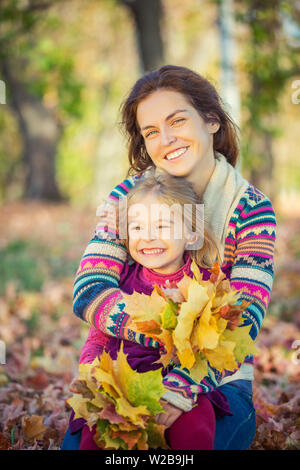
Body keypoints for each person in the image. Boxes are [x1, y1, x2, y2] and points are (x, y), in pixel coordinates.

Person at [61, 65, 276, 450]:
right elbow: (90, 288)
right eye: (151, 131)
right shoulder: (127, 197)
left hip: (215, 385)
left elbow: (243, 322)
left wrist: (183, 385)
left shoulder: (251, 209)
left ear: (211, 120)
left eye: (177, 120)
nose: (166, 140)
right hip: (127, 375)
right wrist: (165, 333)